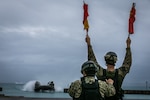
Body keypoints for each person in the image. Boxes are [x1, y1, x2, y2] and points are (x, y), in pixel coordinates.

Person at [85, 34, 132, 100]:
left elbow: (92, 60)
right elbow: (128, 62)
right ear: (115, 61)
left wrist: (89, 44)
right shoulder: (120, 73)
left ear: (105, 60)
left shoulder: (100, 72)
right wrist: (128, 46)